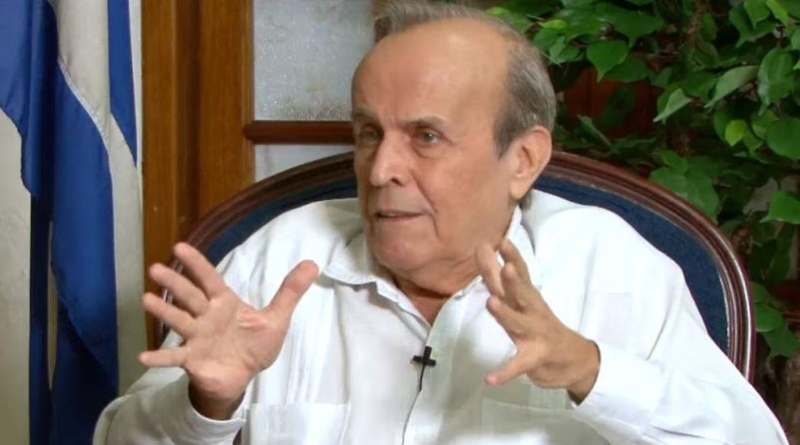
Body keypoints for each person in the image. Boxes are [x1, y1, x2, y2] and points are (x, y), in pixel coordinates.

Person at [94, 2, 789, 444]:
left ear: (522, 159)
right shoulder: (279, 258)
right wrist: (209, 402)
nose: (380, 169)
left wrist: (590, 370)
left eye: (425, 136)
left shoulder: (611, 267)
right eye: (369, 133)